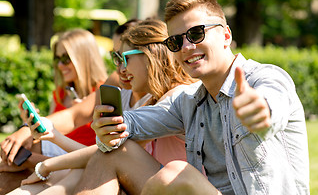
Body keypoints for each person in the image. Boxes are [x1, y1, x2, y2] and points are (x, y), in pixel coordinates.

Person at [74, 0, 309, 195]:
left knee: (176, 173)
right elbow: (136, 122)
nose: (186, 47)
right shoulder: (189, 103)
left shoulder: (265, 78)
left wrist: (259, 112)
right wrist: (109, 124)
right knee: (112, 152)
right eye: (176, 41)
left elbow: (271, 105)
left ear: (226, 35)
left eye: (196, 34)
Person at [8, 19, 196, 195]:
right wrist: (48, 137)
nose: (121, 69)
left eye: (125, 58)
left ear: (151, 56)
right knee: (85, 166)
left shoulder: (176, 97)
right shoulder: (150, 98)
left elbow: (110, 150)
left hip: (173, 185)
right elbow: (99, 143)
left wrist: (45, 164)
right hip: (150, 179)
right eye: (116, 58)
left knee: (101, 160)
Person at [0, 28, 108, 194]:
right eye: (57, 58)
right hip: (48, 161)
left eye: (65, 58)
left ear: (83, 58)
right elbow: (46, 138)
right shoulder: (60, 93)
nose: (59, 65)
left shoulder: (102, 93)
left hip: (72, 165)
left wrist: (29, 157)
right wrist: (28, 122)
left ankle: (22, 159)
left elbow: (92, 156)